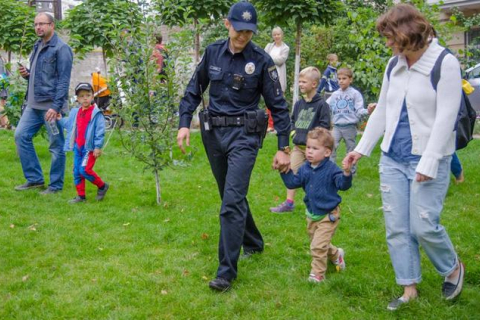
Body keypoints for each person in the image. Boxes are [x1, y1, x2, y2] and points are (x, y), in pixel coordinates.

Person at [343, 4, 465, 310]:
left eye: (390, 37)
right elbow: (383, 109)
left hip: (429, 157)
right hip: (392, 158)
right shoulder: (393, 65)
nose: (387, 43)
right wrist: (361, 148)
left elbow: (446, 117)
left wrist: (429, 160)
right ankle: (408, 287)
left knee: (424, 224)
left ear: (408, 33)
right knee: (397, 226)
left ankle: (451, 267)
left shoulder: (444, 63)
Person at [177, 1, 291, 292]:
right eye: (239, 30)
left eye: (249, 32)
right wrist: (183, 123)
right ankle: (253, 241)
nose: (243, 37)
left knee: (230, 201)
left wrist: (282, 147)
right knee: (230, 195)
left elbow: (278, 106)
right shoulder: (213, 52)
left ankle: (225, 272)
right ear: (228, 24)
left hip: (245, 135)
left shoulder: (262, 60)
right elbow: (194, 88)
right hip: (213, 134)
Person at [280, 127, 352, 283]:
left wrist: (346, 174)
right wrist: (284, 171)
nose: (309, 152)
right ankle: (336, 254)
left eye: (314, 148)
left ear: (327, 152)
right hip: (312, 214)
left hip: (329, 214)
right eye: (308, 147)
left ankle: (317, 274)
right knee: (318, 243)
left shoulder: (332, 169)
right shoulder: (305, 168)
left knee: (318, 246)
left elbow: (343, 185)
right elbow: (294, 183)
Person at [14, 12, 73, 194]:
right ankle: (34, 179)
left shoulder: (61, 49)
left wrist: (55, 107)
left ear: (51, 25)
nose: (38, 27)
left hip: (50, 108)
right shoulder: (37, 45)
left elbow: (63, 81)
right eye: (36, 24)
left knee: (55, 146)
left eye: (42, 24)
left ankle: (55, 186)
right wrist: (28, 75)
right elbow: (42, 77)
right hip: (33, 105)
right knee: (20, 136)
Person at [270, 67, 330, 213]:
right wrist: (293, 133)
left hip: (314, 151)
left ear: (314, 84)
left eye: (304, 82)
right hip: (298, 148)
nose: (300, 84)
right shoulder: (298, 104)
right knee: (290, 171)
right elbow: (292, 121)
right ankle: (289, 203)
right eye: (299, 82)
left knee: (316, 177)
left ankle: (320, 204)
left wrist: (314, 140)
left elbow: (325, 126)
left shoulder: (322, 105)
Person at [59, 83, 108, 203]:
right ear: (77, 98)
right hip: (78, 147)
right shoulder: (75, 112)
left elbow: (100, 131)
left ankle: (102, 186)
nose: (85, 98)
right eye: (81, 96)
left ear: (92, 97)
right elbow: (70, 125)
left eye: (88, 95)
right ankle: (81, 196)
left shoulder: (96, 114)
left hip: (89, 148)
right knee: (76, 171)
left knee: (84, 170)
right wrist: (60, 119)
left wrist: (97, 147)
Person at [328, 67, 372, 174]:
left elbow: (359, 110)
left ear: (350, 79)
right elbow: (325, 107)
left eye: (344, 78)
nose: (341, 81)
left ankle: (351, 172)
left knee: (350, 150)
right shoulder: (334, 95)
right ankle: (330, 171)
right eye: (339, 79)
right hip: (337, 126)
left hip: (350, 126)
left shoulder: (355, 94)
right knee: (331, 147)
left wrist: (368, 111)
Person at [264, 26, 290, 132]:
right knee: (269, 100)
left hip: (279, 78)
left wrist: (269, 58)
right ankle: (270, 125)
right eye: (274, 34)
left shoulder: (285, 48)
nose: (276, 36)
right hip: (268, 76)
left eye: (278, 34)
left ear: (282, 35)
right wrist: (268, 59)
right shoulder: (269, 46)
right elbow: (263, 57)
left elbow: (281, 60)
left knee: (279, 101)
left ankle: (279, 124)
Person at [0, 55, 9, 128]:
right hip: (4, 84)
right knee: (2, 105)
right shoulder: (3, 59)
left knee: (0, 106)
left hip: (1, 84)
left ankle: (6, 123)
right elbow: (7, 73)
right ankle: (4, 124)